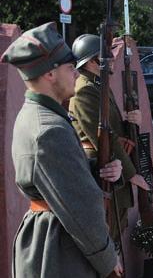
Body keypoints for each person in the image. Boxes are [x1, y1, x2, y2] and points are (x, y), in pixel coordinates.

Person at [1, 22, 123, 277]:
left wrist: (97, 168)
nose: (77, 74)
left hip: (55, 237)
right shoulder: (50, 129)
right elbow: (82, 208)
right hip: (59, 248)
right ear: (50, 74)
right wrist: (108, 260)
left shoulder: (39, 114)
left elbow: (58, 174)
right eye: (70, 68)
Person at [68, 34, 153, 242]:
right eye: (103, 55)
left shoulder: (99, 86)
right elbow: (104, 137)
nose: (109, 59)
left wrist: (130, 121)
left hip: (117, 167)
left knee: (116, 230)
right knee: (107, 232)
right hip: (104, 171)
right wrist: (132, 173)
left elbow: (114, 129)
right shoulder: (85, 91)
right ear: (91, 61)